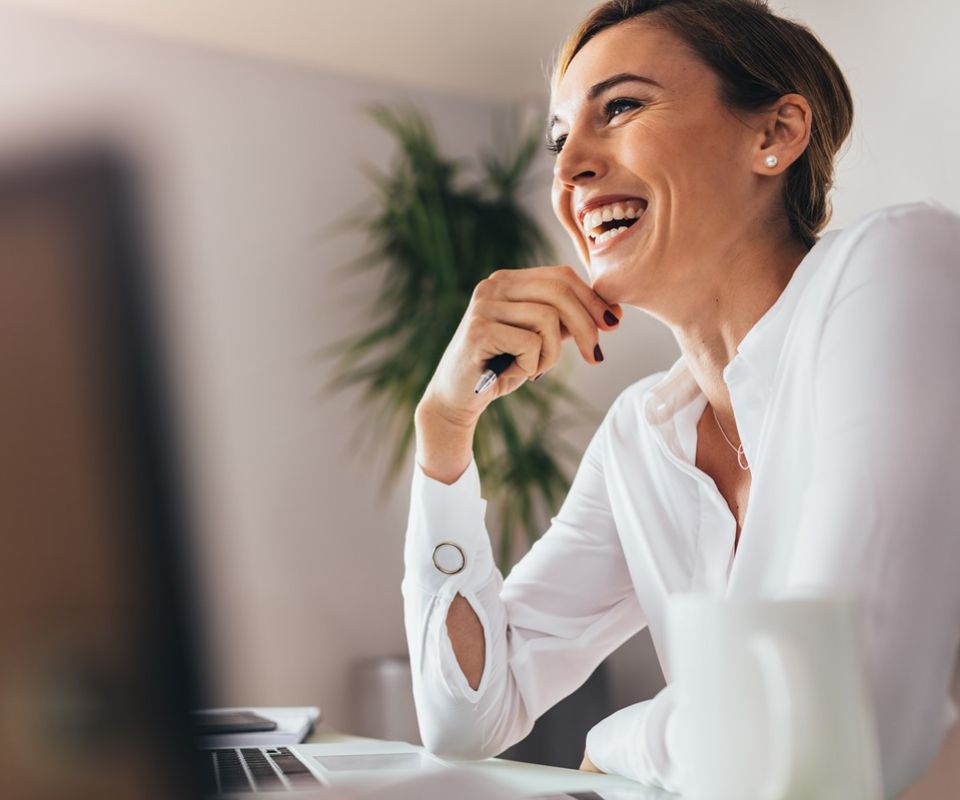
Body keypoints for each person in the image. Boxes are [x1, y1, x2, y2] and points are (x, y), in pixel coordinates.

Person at [402, 0, 960, 795]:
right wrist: (444, 428)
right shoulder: (643, 436)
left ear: (775, 134)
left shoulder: (899, 267)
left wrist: (619, 734)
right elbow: (465, 719)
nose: (568, 171)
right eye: (560, 140)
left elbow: (841, 726)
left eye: (621, 107)